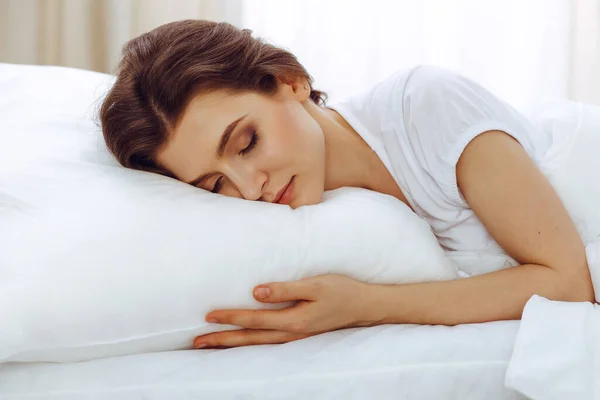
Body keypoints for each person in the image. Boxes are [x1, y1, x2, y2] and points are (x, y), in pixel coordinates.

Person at [100, 19, 595, 349]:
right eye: (214, 185)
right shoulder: (315, 218)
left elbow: (569, 282)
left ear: (289, 81)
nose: (251, 190)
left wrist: (363, 306)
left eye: (247, 142)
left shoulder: (425, 106)